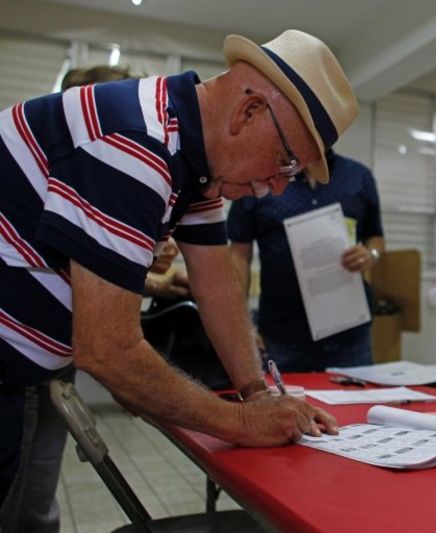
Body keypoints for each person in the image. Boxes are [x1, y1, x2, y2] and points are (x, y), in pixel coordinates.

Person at [0, 29, 358, 510]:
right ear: (248, 112)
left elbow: (219, 286)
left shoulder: (195, 162)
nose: (275, 188)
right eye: (285, 162)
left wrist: (257, 392)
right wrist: (242, 423)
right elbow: (107, 349)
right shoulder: (136, 142)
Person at [0, 66, 190, 533]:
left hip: (53, 360)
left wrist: (148, 271)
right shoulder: (71, 164)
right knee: (22, 499)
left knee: (35, 491)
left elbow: (82, 271)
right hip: (19, 356)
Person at [227, 148, 384, 372]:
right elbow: (239, 253)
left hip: (349, 334)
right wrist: (241, 324)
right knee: (281, 405)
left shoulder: (359, 176)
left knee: (355, 406)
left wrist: (371, 255)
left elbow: (375, 237)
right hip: (281, 334)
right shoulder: (262, 175)